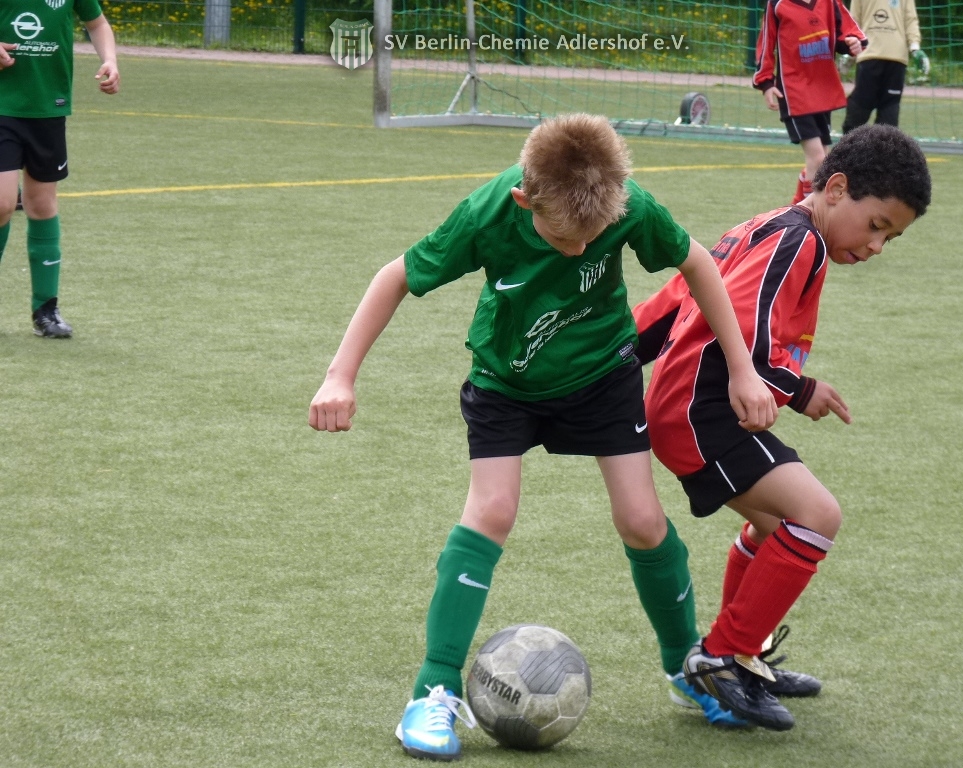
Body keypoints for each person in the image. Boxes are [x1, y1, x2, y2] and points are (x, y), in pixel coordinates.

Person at [309, 113, 785, 760]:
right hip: (505, 381)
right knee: (492, 511)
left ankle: (687, 669)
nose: (578, 250)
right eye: (563, 236)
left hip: (602, 375)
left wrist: (742, 369)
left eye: (593, 238)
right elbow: (395, 277)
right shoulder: (488, 213)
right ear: (523, 199)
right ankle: (431, 692)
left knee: (643, 520)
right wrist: (340, 376)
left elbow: (699, 264)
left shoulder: (626, 204)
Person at [632, 124, 931, 731]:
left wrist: (624, 351)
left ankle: (746, 655)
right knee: (818, 516)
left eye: (891, 238)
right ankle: (721, 657)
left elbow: (680, 296)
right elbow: (743, 336)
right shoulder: (799, 243)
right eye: (877, 225)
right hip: (702, 410)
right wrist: (800, 390)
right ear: (836, 189)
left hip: (690, 406)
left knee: (776, 530)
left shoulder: (767, 225)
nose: (878, 246)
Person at [0, 1, 120, 338]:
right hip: (2, 105)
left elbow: (97, 24)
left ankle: (46, 308)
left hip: (48, 107)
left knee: (41, 204)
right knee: (2, 203)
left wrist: (110, 60)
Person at [753, 0, 867, 205]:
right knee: (817, 159)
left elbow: (847, 32)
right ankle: (808, 216)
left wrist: (853, 42)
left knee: (825, 161)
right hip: (794, 91)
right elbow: (766, 43)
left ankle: (797, 204)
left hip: (822, 90)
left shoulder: (830, 2)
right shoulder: (777, 4)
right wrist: (766, 82)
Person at [842, 0, 925, 132]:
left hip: (896, 57)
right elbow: (853, 21)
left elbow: (910, 19)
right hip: (869, 55)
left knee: (888, 117)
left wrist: (915, 47)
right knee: (858, 112)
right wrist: (849, 53)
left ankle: (879, 146)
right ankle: (851, 144)